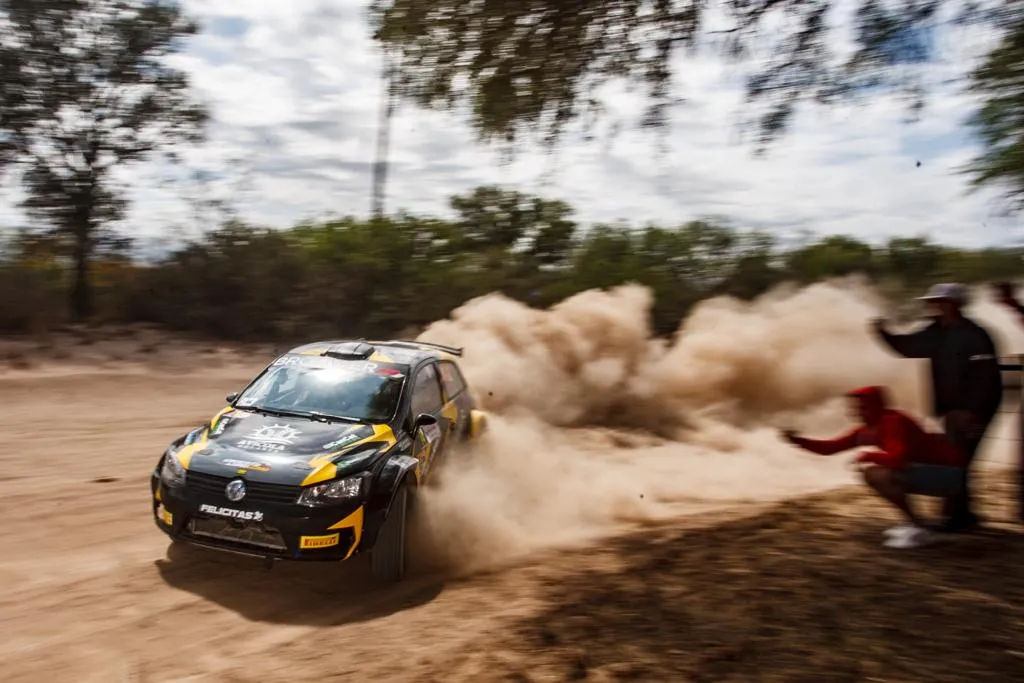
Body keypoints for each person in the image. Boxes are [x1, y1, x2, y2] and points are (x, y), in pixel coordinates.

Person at [871, 282, 1003, 533]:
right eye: (932, 302)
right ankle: (959, 514)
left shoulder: (976, 335)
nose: (933, 306)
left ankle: (958, 516)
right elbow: (908, 347)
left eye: (939, 301)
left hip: (974, 411)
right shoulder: (935, 331)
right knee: (956, 458)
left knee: (960, 458)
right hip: (951, 411)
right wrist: (883, 334)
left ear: (954, 304)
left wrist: (971, 411)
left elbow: (986, 378)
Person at [782, 385, 967, 549]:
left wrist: (868, 455)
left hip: (949, 476)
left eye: (862, 407)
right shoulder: (867, 429)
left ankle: (918, 525)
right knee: (874, 473)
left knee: (876, 474)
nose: (857, 412)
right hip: (937, 473)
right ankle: (917, 524)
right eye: (855, 407)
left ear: (875, 405)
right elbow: (831, 448)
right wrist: (797, 441)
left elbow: (899, 459)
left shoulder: (893, 421)